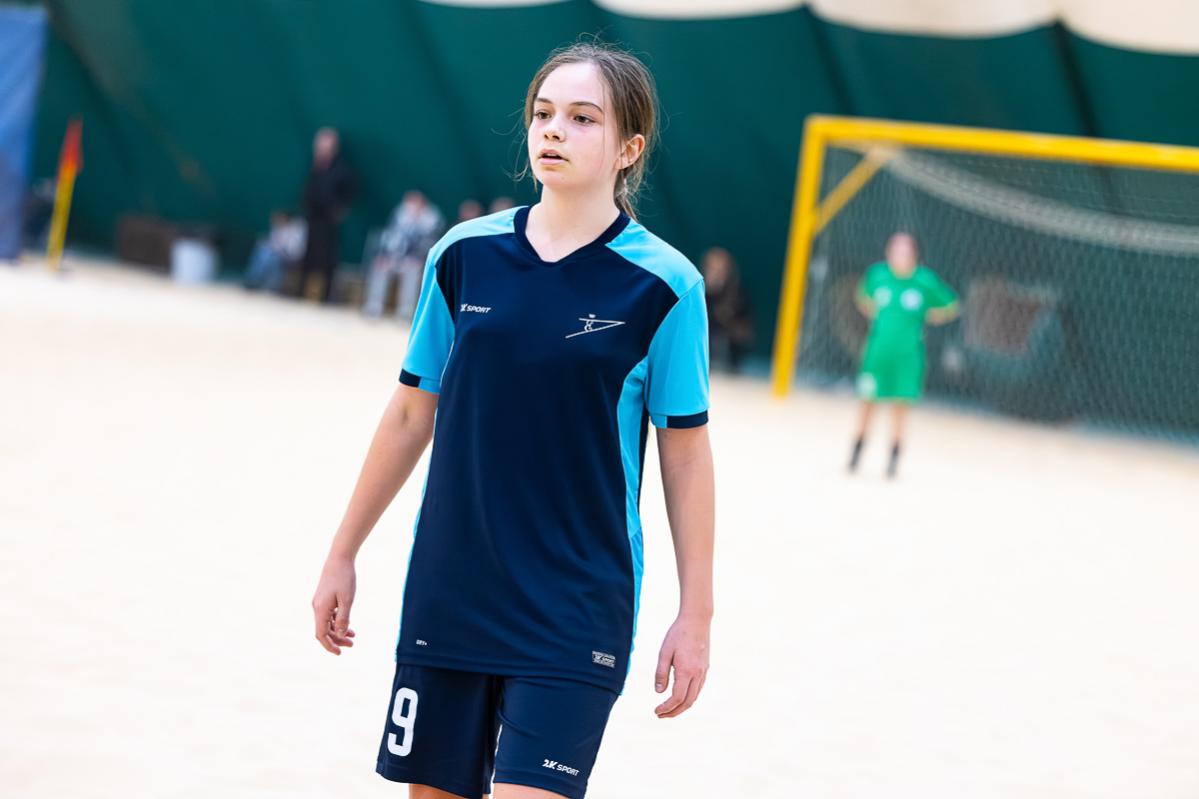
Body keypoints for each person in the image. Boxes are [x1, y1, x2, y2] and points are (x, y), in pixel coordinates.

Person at [311, 41, 715, 799]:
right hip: (452, 589)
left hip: (575, 605)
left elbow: (686, 458)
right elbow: (409, 414)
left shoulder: (666, 286)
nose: (554, 129)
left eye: (583, 118)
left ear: (629, 149)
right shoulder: (462, 255)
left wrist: (696, 614)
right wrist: (342, 552)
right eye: (543, 113)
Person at [849, 232, 959, 478]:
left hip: (908, 355)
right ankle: (856, 453)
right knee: (867, 402)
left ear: (914, 255)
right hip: (878, 352)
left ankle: (893, 460)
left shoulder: (924, 282)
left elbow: (951, 305)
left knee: (900, 406)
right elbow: (863, 299)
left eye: (904, 251)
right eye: (895, 250)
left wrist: (928, 316)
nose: (899, 255)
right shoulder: (878, 276)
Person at [363, 191, 445, 319]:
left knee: (412, 270)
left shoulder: (431, 219)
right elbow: (391, 237)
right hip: (395, 257)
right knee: (381, 265)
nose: (411, 206)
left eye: (415, 202)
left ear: (422, 204)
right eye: (409, 202)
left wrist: (418, 259)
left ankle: (405, 311)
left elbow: (429, 245)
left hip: (416, 260)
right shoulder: (401, 215)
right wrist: (385, 255)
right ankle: (374, 306)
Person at [297, 127, 355, 303]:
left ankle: (326, 296)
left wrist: (339, 210)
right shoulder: (314, 167)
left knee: (328, 259)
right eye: (319, 146)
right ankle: (300, 291)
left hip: (329, 223)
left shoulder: (342, 169)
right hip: (312, 218)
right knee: (308, 255)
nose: (321, 149)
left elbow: (350, 193)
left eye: (325, 146)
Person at [701, 246, 753, 373]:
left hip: (730, 340)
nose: (716, 274)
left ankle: (733, 364)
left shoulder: (737, 291)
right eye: (712, 269)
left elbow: (744, 326)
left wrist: (726, 316)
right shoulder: (699, 289)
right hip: (706, 337)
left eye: (720, 270)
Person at [242, 210, 306, 293]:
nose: (275, 221)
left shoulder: (294, 230)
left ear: (284, 219)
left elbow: (293, 250)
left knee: (267, 255)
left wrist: (279, 249)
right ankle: (254, 280)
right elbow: (273, 244)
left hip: (291, 257)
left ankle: (261, 282)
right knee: (263, 251)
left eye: (279, 219)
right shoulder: (277, 230)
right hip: (278, 255)